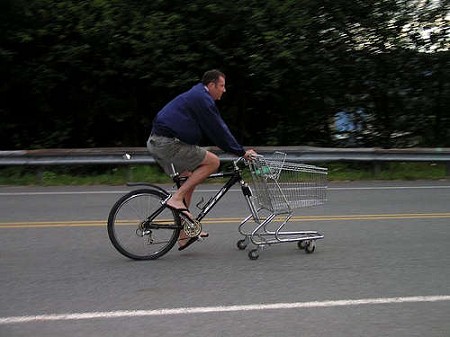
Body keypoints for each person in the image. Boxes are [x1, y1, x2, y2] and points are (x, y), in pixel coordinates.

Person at [147, 69, 256, 250]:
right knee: (213, 162)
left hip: (160, 141)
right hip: (166, 143)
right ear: (211, 85)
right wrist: (241, 152)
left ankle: (183, 234)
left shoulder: (198, 95)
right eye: (221, 85)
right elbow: (218, 130)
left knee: (188, 178)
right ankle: (176, 198)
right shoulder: (202, 99)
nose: (224, 90)